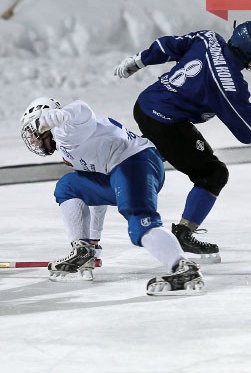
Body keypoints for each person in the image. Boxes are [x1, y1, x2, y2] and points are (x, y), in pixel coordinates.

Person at [114, 21, 251, 263]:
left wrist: (139, 60)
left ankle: (111, 170)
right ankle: (183, 233)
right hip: (167, 123)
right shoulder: (230, 83)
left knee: (150, 154)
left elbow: (167, 45)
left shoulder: (208, 38)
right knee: (213, 174)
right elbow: (249, 132)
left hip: (145, 105)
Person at [20, 97, 205, 296]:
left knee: (140, 223)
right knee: (68, 186)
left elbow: (83, 109)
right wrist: (92, 242)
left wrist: (62, 115)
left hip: (135, 163)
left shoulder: (65, 131)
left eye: (33, 131)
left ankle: (184, 268)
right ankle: (82, 251)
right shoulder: (67, 148)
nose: (32, 139)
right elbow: (96, 199)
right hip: (123, 169)